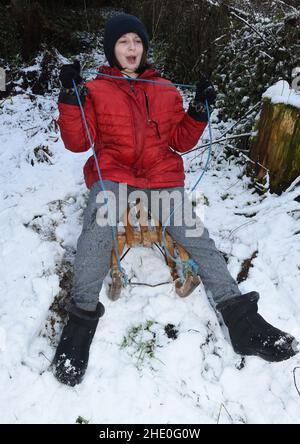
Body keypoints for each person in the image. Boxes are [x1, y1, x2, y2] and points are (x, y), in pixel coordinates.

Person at [53, 13, 298, 386]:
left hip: (161, 176)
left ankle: (242, 321)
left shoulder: (166, 89)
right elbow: (76, 142)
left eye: (137, 41)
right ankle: (79, 325)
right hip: (114, 174)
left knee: (196, 236)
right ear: (111, 49)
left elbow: (180, 141)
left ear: (145, 47)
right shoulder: (95, 90)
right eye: (123, 42)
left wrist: (198, 110)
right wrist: (71, 98)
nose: (131, 48)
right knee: (98, 232)